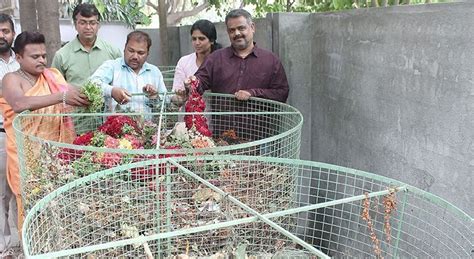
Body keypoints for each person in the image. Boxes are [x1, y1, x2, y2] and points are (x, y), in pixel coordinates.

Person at [0, 31, 89, 232]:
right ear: (19, 57)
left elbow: (72, 94)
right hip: (26, 156)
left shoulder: (53, 77)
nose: (41, 60)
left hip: (54, 155)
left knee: (57, 204)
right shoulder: (11, 79)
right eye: (35, 57)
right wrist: (61, 97)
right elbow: (19, 103)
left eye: (43, 55)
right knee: (29, 208)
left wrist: (90, 96)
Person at [179, 9, 289, 103]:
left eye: (241, 28)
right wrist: (192, 82)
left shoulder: (270, 60)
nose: (236, 33)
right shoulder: (216, 58)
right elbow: (201, 81)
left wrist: (253, 93)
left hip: (260, 127)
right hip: (223, 127)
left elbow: (282, 93)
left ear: (252, 27)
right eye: (232, 30)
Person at [90, 31, 166, 112]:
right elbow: (92, 83)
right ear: (124, 48)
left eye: (141, 53)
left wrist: (154, 97)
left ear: (148, 53)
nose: (135, 56)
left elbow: (165, 103)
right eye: (131, 51)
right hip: (116, 124)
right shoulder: (112, 66)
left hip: (146, 124)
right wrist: (112, 91)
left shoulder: (154, 72)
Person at [51, 3, 122, 88]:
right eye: (83, 23)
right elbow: (54, 86)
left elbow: (121, 81)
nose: (88, 27)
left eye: (92, 23)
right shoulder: (61, 56)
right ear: (75, 24)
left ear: (98, 25)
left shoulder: (113, 52)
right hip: (74, 101)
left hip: (106, 100)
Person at [0, 13, 19, 256]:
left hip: (24, 134)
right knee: (2, 193)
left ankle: (25, 240)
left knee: (21, 189)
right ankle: (3, 246)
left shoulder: (23, 60)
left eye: (5, 30)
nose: (1, 36)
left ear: (12, 33)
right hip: (1, 135)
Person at [172, 19, 221, 91]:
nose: (197, 43)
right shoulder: (184, 62)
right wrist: (180, 95)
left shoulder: (221, 61)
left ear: (212, 40)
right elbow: (176, 94)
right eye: (194, 39)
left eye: (201, 39)